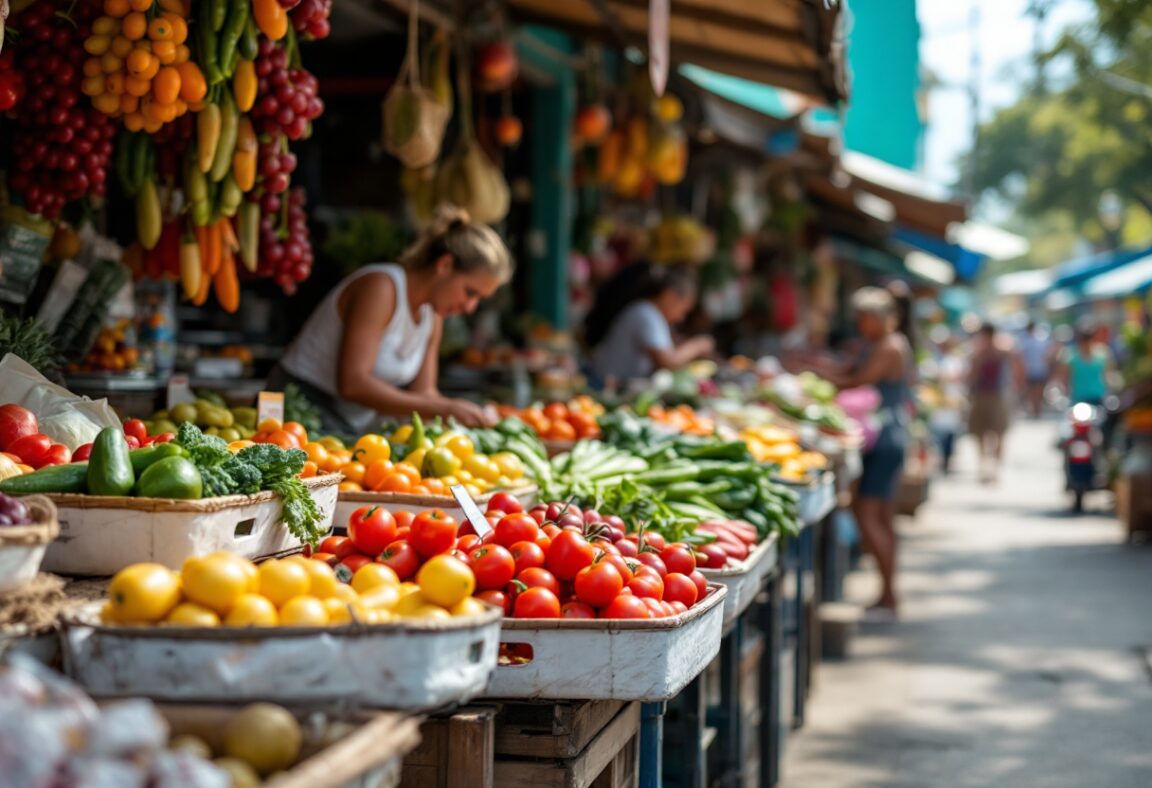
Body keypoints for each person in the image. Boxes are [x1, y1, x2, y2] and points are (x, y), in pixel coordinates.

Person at [269, 205, 512, 434]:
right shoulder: (381, 288)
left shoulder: (432, 315)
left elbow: (424, 394)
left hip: (343, 423)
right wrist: (447, 408)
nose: (471, 307)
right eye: (470, 292)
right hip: (292, 408)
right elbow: (353, 383)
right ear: (445, 265)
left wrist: (468, 417)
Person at [819, 287, 912, 621]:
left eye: (862, 319)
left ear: (876, 318)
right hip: (887, 435)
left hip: (885, 438)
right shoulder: (881, 343)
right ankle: (888, 593)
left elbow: (857, 381)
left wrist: (817, 372)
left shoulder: (890, 346)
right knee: (880, 517)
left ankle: (889, 595)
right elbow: (851, 374)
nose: (859, 325)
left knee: (869, 514)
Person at [585, 263, 714, 388]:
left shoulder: (649, 312)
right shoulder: (646, 314)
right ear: (669, 296)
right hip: (603, 386)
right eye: (684, 309)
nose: (681, 318)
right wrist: (699, 345)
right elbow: (667, 362)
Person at [967, 322, 1024, 483]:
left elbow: (1018, 365)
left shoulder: (1003, 350)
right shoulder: (978, 352)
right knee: (980, 433)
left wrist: (1017, 384)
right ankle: (984, 466)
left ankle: (995, 468)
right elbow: (972, 373)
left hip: (999, 395)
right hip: (981, 394)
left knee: (999, 432)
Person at [1061, 319, 1113, 406]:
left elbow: (1108, 375)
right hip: (1078, 398)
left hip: (1098, 397)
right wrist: (1065, 393)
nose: (1085, 342)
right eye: (1083, 338)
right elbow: (1065, 377)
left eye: (1088, 337)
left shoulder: (1102, 354)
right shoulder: (1071, 356)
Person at [1017, 321, 1052, 417]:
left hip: (1037, 370)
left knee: (1035, 391)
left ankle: (1036, 410)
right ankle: (1036, 410)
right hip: (1034, 370)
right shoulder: (1034, 340)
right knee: (1035, 391)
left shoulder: (1028, 341)